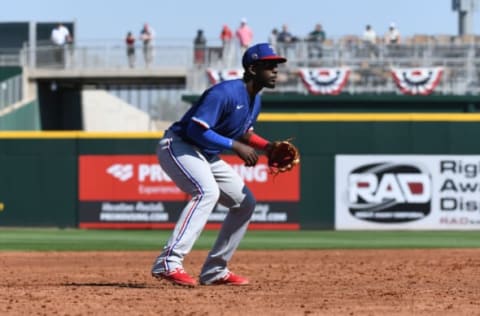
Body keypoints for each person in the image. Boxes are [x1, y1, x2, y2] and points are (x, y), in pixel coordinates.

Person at [151, 43, 287, 287]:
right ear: (253, 69)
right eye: (269, 65)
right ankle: (168, 261)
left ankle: (215, 270)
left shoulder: (255, 101)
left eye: (276, 66)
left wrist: (267, 148)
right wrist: (235, 147)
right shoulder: (224, 93)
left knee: (245, 202)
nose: (275, 70)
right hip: (179, 145)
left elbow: (244, 133)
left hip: (206, 154)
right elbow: (196, 128)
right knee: (206, 192)